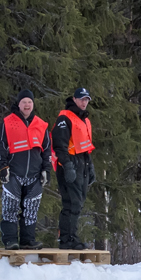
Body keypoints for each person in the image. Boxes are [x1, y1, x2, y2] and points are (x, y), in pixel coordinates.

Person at [0, 89, 53, 250]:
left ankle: (28, 240)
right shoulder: (7, 123)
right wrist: (3, 167)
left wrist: (46, 169)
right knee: (10, 207)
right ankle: (11, 240)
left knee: (31, 209)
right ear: (18, 104)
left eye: (30, 102)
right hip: (14, 173)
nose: (27, 105)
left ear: (33, 104)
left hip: (34, 175)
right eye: (24, 102)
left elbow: (47, 149)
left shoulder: (41, 125)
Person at [52, 87, 96, 250]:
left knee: (78, 203)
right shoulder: (65, 118)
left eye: (87, 100)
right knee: (72, 202)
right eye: (82, 99)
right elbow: (59, 145)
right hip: (69, 163)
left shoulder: (84, 120)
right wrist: (67, 165)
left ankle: (69, 237)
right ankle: (68, 238)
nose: (84, 102)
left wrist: (90, 166)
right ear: (75, 100)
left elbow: (85, 146)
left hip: (82, 162)